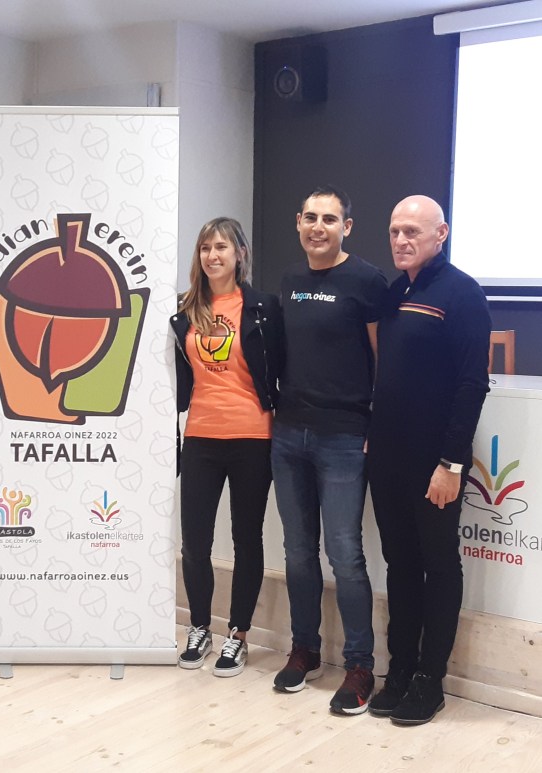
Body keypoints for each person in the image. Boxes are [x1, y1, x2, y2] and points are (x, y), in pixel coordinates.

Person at [367, 195, 490, 725]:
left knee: (438, 566)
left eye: (412, 231)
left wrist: (451, 463)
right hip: (388, 458)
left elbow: (472, 385)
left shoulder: (463, 293)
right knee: (399, 565)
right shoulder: (395, 293)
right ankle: (399, 670)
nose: (401, 240)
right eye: (395, 231)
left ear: (441, 234)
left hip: (435, 464)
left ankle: (429, 680)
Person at [270, 185, 388, 714]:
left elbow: (385, 359)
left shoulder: (367, 281)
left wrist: (375, 424)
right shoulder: (290, 280)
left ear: (347, 227)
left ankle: (360, 665)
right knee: (298, 551)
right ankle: (306, 650)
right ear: (298, 222)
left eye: (330, 219)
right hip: (289, 434)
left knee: (345, 554)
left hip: (343, 436)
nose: (319, 227)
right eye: (311, 218)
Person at [170, 217, 283, 677]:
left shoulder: (263, 308)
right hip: (200, 435)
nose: (212, 256)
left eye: (221, 247)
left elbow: (280, 368)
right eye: (205, 248)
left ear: (240, 254)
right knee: (194, 542)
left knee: (246, 539)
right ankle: (200, 627)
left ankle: (238, 634)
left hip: (253, 437)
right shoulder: (184, 310)